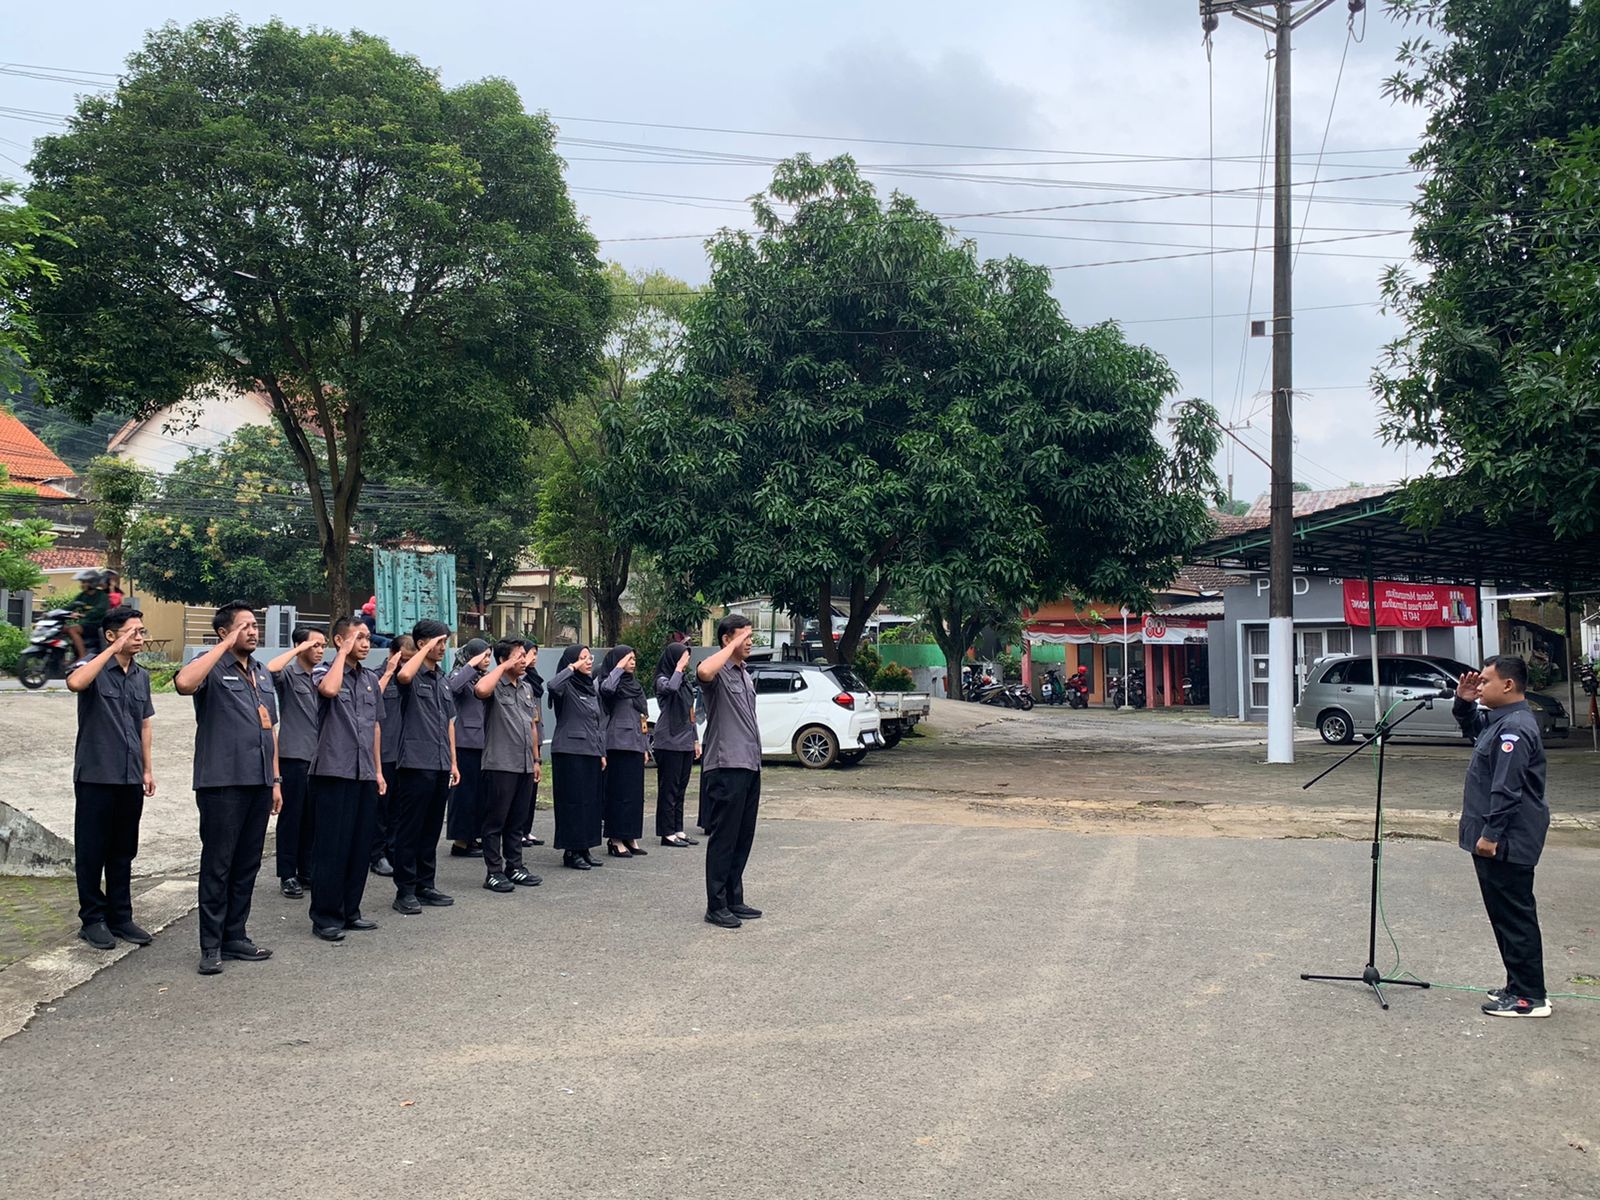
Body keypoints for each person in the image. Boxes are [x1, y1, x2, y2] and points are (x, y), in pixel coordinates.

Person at [174, 601, 282, 975]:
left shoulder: (262, 673)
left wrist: (276, 780)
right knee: (218, 864)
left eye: (255, 626)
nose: (253, 632)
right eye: (244, 626)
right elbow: (184, 684)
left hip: (258, 782)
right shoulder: (210, 665)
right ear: (224, 632)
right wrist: (222, 647)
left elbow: (270, 729)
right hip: (221, 783)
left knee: (247, 864)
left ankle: (235, 935)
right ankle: (210, 944)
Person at [1454, 656, 1552, 1018]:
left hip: (1507, 841)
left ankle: (1530, 997)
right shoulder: (1501, 723)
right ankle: (1518, 984)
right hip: (1501, 839)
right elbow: (1474, 729)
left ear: (1508, 685)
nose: (1479, 687)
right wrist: (1464, 702)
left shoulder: (1515, 729)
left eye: (1485, 682)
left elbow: (1507, 790)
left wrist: (1490, 835)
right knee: (1505, 916)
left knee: (1514, 916)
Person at [65, 605, 156, 951]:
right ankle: (92, 919)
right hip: (96, 775)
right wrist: (109, 653)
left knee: (122, 850)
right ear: (111, 635)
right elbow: (75, 683)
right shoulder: (92, 668)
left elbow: (144, 723)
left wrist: (147, 769)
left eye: (142, 631)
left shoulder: (141, 676)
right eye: (133, 631)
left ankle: (121, 916)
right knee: (91, 851)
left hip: (130, 775)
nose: (139, 637)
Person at [307, 616, 386, 941]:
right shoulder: (323, 670)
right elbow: (329, 690)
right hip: (333, 771)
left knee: (358, 846)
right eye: (359, 638)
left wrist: (379, 771)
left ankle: (350, 910)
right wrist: (342, 653)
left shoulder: (369, 679)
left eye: (368, 638)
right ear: (339, 641)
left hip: (364, 772)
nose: (366, 644)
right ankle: (325, 916)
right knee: (331, 847)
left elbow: (376, 727)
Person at [697, 615, 764, 929]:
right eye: (743, 636)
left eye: (751, 636)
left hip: (749, 763)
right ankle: (716, 904)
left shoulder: (744, 674)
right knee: (724, 836)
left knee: (742, 835)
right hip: (726, 765)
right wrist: (731, 646)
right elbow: (703, 670)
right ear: (727, 640)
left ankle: (734, 897)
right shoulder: (719, 672)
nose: (749, 641)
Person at [390, 620, 460, 914]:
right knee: (410, 829)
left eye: (444, 642)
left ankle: (425, 884)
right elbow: (404, 674)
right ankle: (404, 890)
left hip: (441, 762)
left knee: (431, 828)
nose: (443, 648)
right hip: (415, 762)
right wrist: (424, 651)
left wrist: (454, 762)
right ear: (422, 644)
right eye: (438, 642)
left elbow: (449, 722)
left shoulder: (441, 679)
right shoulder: (410, 673)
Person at [473, 640, 544, 892]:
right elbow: (480, 689)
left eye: (525, 656)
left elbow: (532, 724)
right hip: (500, 763)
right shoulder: (495, 685)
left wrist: (536, 760)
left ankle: (515, 867)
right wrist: (502, 669)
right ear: (503, 660)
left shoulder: (526, 688)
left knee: (517, 820)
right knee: (495, 821)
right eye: (518, 657)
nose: (524, 660)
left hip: (524, 763)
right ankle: (493, 872)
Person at [266, 624, 326, 898]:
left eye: (323, 646)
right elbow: (271, 669)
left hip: (320, 756)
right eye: (315, 645)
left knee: (314, 818)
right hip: (295, 755)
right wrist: (298, 649)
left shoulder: (323, 676)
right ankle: (287, 874)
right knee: (292, 817)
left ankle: (307, 869)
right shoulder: (290, 675)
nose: (320, 650)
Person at [547, 645, 605, 871]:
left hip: (590, 750)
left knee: (590, 802)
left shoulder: (589, 687)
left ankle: (585, 847)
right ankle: (571, 851)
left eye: (589, 657)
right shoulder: (566, 685)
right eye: (582, 658)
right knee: (572, 802)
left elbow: (596, 723)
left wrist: (601, 752)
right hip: (569, 751)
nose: (588, 661)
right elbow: (552, 685)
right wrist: (572, 667)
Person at [600, 645, 651, 858]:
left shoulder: (634, 684)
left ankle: (631, 835)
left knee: (634, 794)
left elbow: (642, 716)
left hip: (636, 743)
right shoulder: (612, 682)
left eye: (633, 658)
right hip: (618, 743)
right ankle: (615, 838)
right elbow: (606, 689)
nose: (633, 662)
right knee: (618, 793)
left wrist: (646, 746)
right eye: (628, 658)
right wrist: (618, 668)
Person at [370, 635, 414, 879]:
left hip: (405, 754)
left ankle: (393, 850)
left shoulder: (411, 679)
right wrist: (388, 672)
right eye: (403, 659)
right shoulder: (376, 676)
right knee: (381, 809)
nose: (406, 665)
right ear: (393, 654)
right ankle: (376, 855)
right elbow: (369, 702)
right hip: (383, 753)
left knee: (399, 808)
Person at [446, 638, 492, 858]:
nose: (487, 660)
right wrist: (470, 665)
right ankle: (460, 841)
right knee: (464, 794)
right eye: (483, 655)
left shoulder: (484, 678)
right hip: (465, 742)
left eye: (489, 656)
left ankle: (473, 836)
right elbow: (452, 688)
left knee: (480, 795)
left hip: (484, 742)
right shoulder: (458, 674)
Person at [653, 642, 701, 848]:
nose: (687, 661)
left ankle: (678, 829)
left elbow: (691, 713)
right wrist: (679, 668)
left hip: (685, 741)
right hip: (668, 741)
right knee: (669, 789)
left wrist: (696, 739)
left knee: (681, 788)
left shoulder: (685, 683)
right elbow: (670, 688)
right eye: (683, 657)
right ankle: (666, 832)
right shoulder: (662, 680)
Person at [521, 639, 547, 848]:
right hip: (521, 738)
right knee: (521, 788)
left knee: (533, 786)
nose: (533, 659)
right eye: (530, 654)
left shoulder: (534, 679)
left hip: (536, 734)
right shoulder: (518, 677)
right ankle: (517, 830)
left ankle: (527, 829)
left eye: (535, 654)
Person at [64, 568, 111, 659]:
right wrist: (53, 613)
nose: (82, 585)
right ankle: (64, 656)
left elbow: (100, 610)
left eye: (85, 582)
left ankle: (82, 656)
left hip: (95, 625)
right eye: (82, 582)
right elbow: (71, 606)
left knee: (73, 630)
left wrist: (85, 615)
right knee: (61, 628)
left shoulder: (102, 596)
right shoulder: (82, 596)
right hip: (84, 624)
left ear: (93, 583)